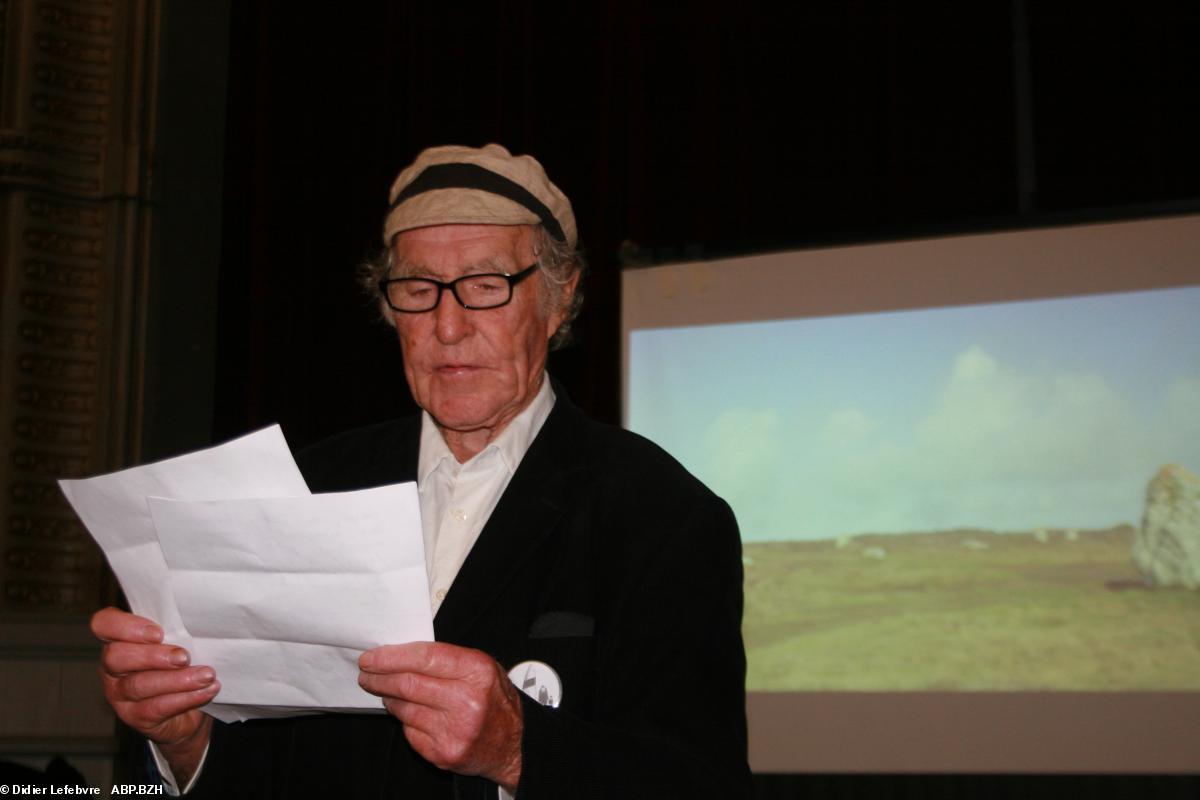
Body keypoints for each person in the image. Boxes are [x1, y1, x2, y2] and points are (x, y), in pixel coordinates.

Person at [90, 144, 750, 798]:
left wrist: (520, 751)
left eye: (488, 286)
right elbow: (273, 763)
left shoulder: (660, 513)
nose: (448, 325)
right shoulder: (306, 489)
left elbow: (699, 783)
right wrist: (186, 742)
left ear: (558, 299)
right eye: (417, 289)